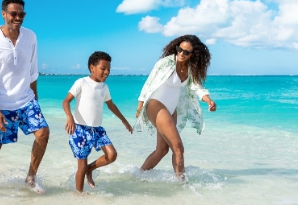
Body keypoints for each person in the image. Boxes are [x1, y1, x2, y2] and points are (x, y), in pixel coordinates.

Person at [0, 0, 49, 192]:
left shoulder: (31, 37)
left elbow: (33, 71)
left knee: (43, 133)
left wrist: (35, 100)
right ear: (4, 14)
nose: (18, 17)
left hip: (26, 100)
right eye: (13, 14)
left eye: (21, 14)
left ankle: (30, 177)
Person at [135, 34, 217, 180]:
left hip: (171, 109)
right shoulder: (165, 63)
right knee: (178, 148)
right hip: (156, 104)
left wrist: (209, 101)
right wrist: (140, 106)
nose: (181, 53)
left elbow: (197, 87)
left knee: (162, 150)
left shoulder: (191, 69)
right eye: (180, 49)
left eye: (186, 52)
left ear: (193, 54)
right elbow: (149, 82)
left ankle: (138, 176)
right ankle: (182, 184)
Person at [62, 51, 133, 192]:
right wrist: (69, 117)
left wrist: (124, 121)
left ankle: (90, 169)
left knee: (112, 155)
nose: (106, 72)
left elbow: (111, 105)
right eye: (103, 68)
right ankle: (79, 195)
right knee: (81, 166)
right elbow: (66, 101)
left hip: (97, 130)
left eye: (109, 69)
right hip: (80, 130)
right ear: (92, 68)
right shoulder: (81, 82)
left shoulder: (104, 87)